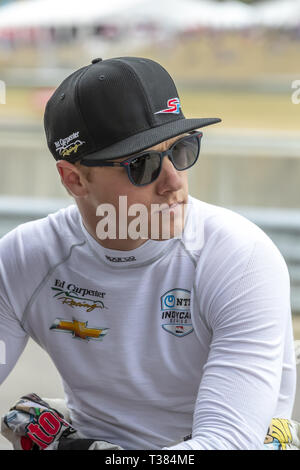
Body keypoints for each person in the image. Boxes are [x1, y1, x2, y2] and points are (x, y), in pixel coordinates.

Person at [0, 56, 296, 450]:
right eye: (142, 164)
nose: (174, 180)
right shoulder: (23, 258)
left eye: (182, 149)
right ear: (74, 179)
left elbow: (227, 442)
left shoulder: (241, 258)